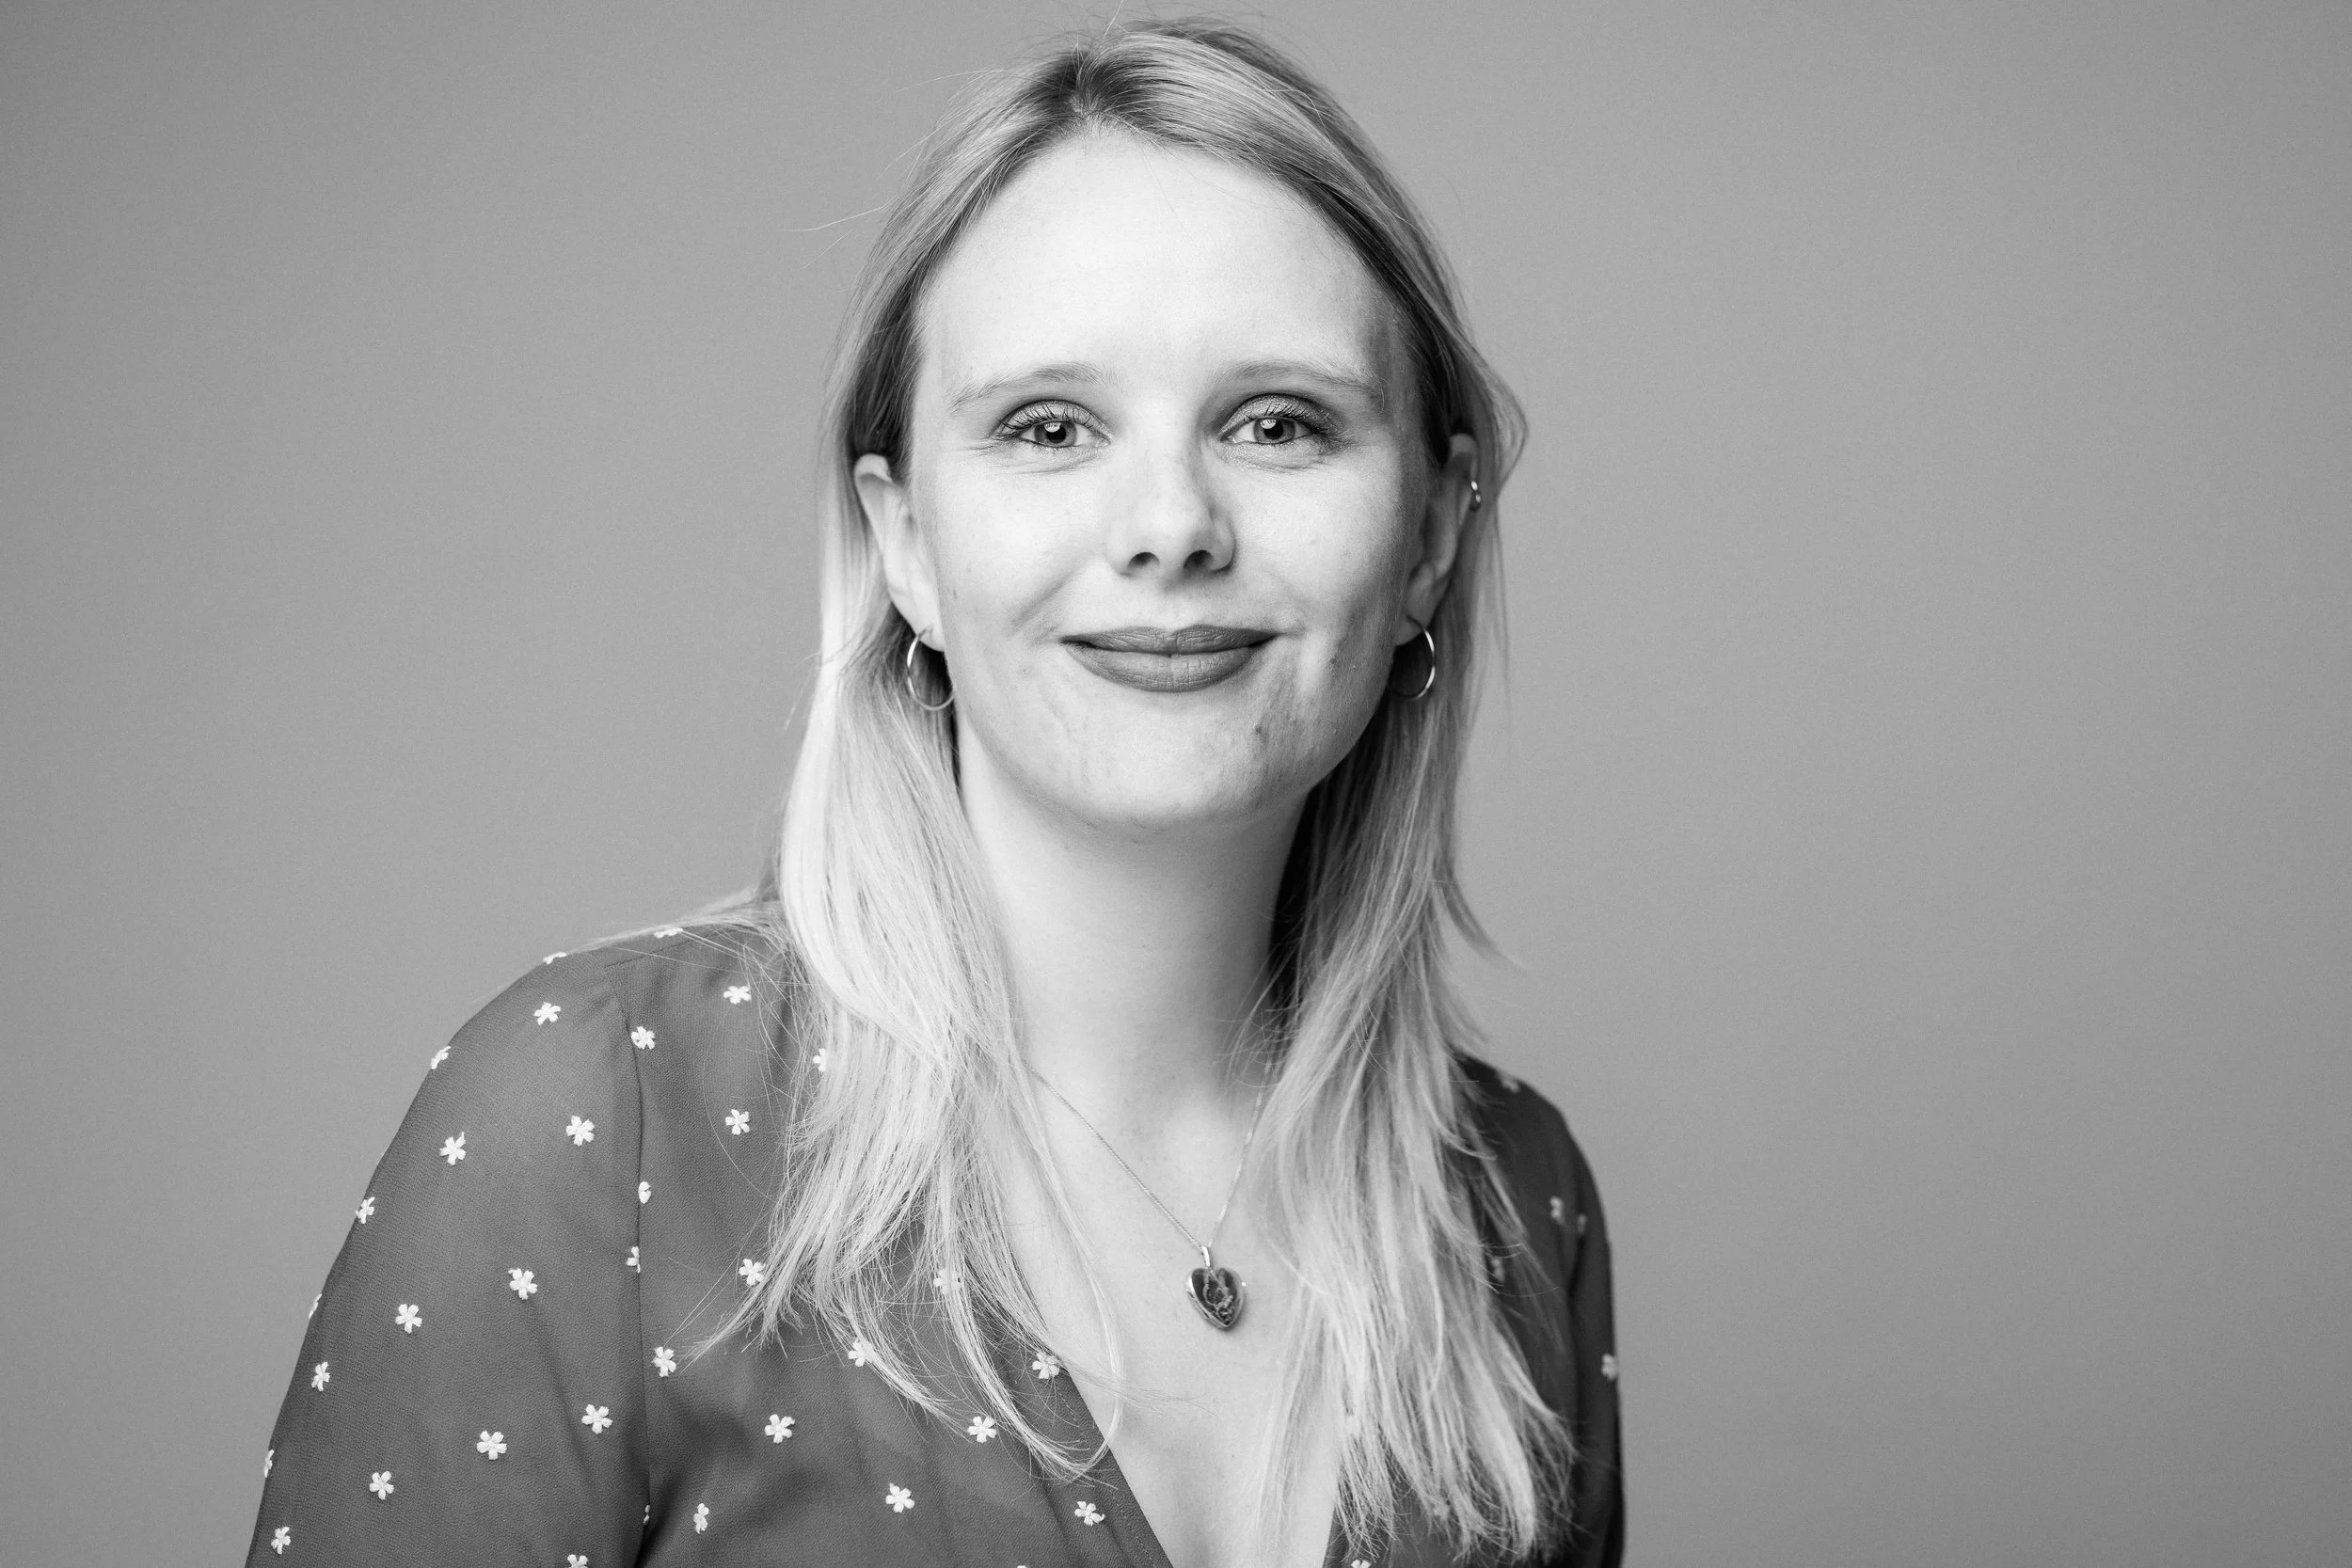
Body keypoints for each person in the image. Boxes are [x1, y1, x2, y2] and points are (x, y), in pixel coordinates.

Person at [246, 18, 1622, 1567]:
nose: (1170, 523)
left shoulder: (1512, 1207)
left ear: (1430, 531)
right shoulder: (598, 1128)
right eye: (1049, 426)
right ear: (904, 540)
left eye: (1279, 422)